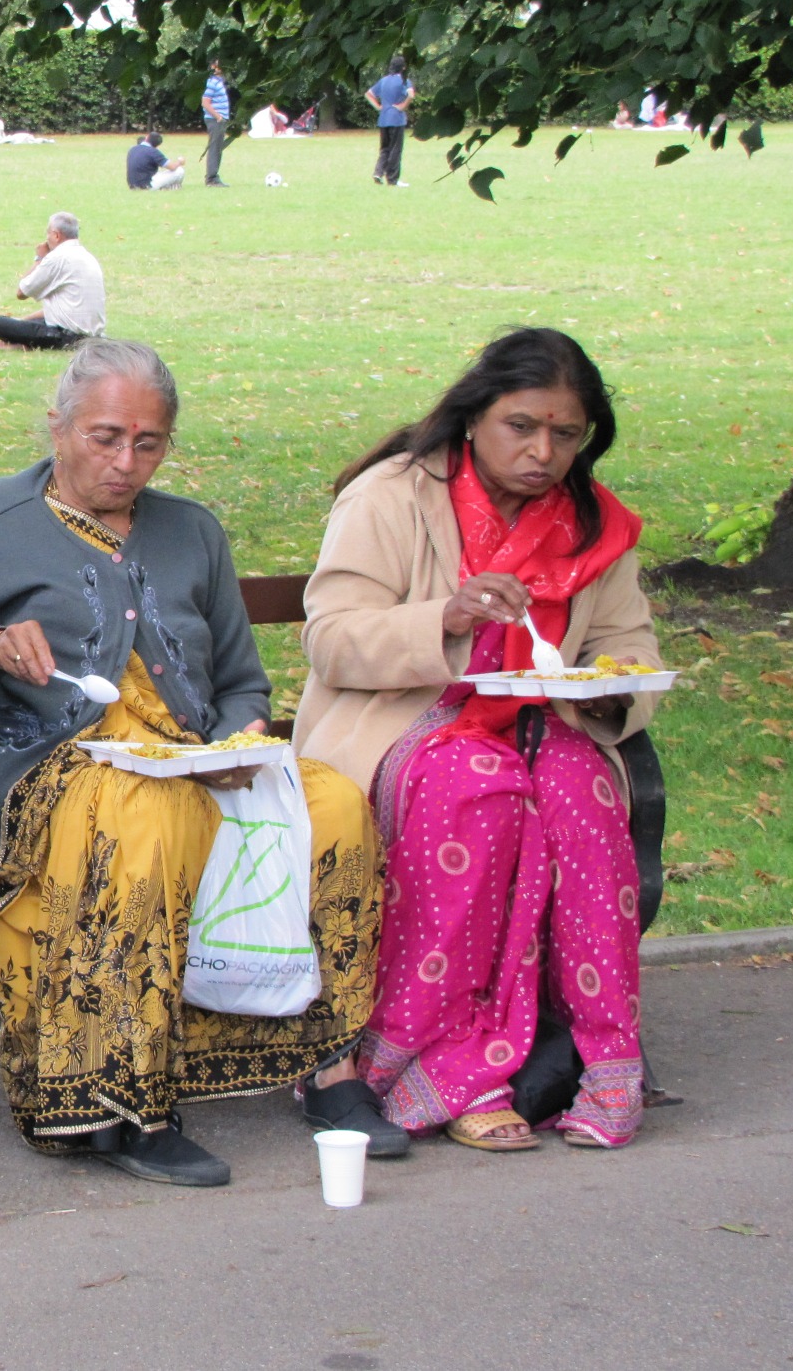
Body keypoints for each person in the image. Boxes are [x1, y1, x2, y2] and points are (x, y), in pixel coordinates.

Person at [0, 339, 399, 1185]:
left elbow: (243, 683)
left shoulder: (191, 532)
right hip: (37, 767)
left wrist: (238, 743)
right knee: (140, 813)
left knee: (332, 805)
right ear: (58, 426)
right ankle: (118, 1098)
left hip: (189, 757)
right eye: (105, 437)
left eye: (148, 443)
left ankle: (329, 1068)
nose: (125, 461)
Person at [295, 328, 661, 1151]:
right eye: (521, 427)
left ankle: (600, 1057)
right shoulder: (393, 494)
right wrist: (446, 619)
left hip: (543, 720)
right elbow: (333, 638)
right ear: (474, 417)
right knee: (475, 792)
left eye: (566, 435)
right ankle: (447, 1063)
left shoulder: (592, 525)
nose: (543, 452)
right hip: (407, 717)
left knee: (581, 792)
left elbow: (629, 646)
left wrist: (605, 684)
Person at [0, 212, 105, 350]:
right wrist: (22, 321)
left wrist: (39, 259)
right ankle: (24, 342)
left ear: (56, 235)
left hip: (65, 337)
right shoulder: (87, 256)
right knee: (27, 323)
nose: (46, 238)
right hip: (92, 335)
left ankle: (26, 345)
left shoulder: (57, 257)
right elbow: (57, 310)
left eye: (48, 233)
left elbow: (21, 292)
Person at [366, 56, 414, 186]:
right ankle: (393, 179)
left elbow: (369, 93)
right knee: (395, 149)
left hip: (383, 118)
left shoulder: (384, 80)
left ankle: (378, 172)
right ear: (403, 68)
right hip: (397, 119)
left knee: (384, 148)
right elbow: (411, 95)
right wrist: (403, 106)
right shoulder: (405, 81)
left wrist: (378, 106)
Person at [201, 60, 231, 186]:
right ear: (213, 66)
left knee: (218, 148)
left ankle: (213, 177)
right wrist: (218, 117)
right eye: (218, 64)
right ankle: (211, 179)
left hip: (219, 120)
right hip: (215, 120)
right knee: (215, 148)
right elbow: (205, 102)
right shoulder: (212, 82)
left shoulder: (220, 82)